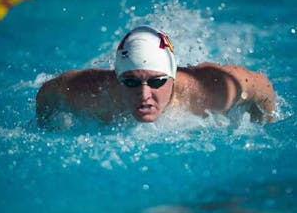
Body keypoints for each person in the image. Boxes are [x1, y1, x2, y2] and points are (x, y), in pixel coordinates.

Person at [36, 25, 275, 129]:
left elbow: (262, 86)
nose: (143, 94)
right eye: (130, 82)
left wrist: (263, 125)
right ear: (117, 78)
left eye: (157, 81)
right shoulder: (88, 94)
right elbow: (47, 94)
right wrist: (49, 128)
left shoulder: (209, 92)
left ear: (172, 77)